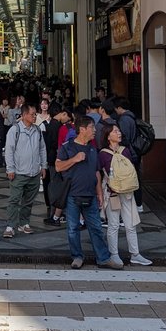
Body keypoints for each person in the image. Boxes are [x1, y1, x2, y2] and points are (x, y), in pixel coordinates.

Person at [56, 114, 113, 270]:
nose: (95, 130)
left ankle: (103, 258)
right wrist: (74, 159)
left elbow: (96, 173)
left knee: (96, 228)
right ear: (82, 129)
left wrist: (99, 193)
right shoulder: (67, 147)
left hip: (91, 195)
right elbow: (58, 166)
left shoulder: (93, 149)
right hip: (72, 195)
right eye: (92, 127)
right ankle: (77, 256)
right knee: (73, 229)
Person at [100, 123, 151, 267]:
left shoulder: (124, 151)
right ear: (108, 136)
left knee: (130, 224)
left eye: (119, 131)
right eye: (115, 131)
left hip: (126, 192)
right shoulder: (104, 153)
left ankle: (135, 254)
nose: (119, 133)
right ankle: (114, 254)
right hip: (113, 194)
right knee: (114, 224)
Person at [3, 103, 46, 238]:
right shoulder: (15, 130)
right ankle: (10, 226)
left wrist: (43, 166)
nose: (35, 116)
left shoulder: (37, 130)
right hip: (19, 172)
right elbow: (9, 150)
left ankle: (24, 223)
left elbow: (42, 149)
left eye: (35, 114)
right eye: (33, 114)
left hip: (34, 172)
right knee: (15, 200)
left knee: (28, 200)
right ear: (24, 115)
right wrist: (10, 169)